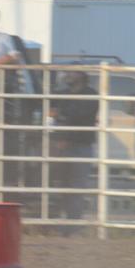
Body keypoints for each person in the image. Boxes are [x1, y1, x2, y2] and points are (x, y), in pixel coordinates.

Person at [48, 70, 99, 225]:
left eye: (73, 73)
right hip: (64, 144)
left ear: (82, 76)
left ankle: (73, 222)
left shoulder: (90, 95)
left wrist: (61, 119)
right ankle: (63, 221)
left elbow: (80, 118)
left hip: (80, 144)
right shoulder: (62, 94)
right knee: (63, 182)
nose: (68, 75)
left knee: (77, 184)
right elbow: (53, 113)